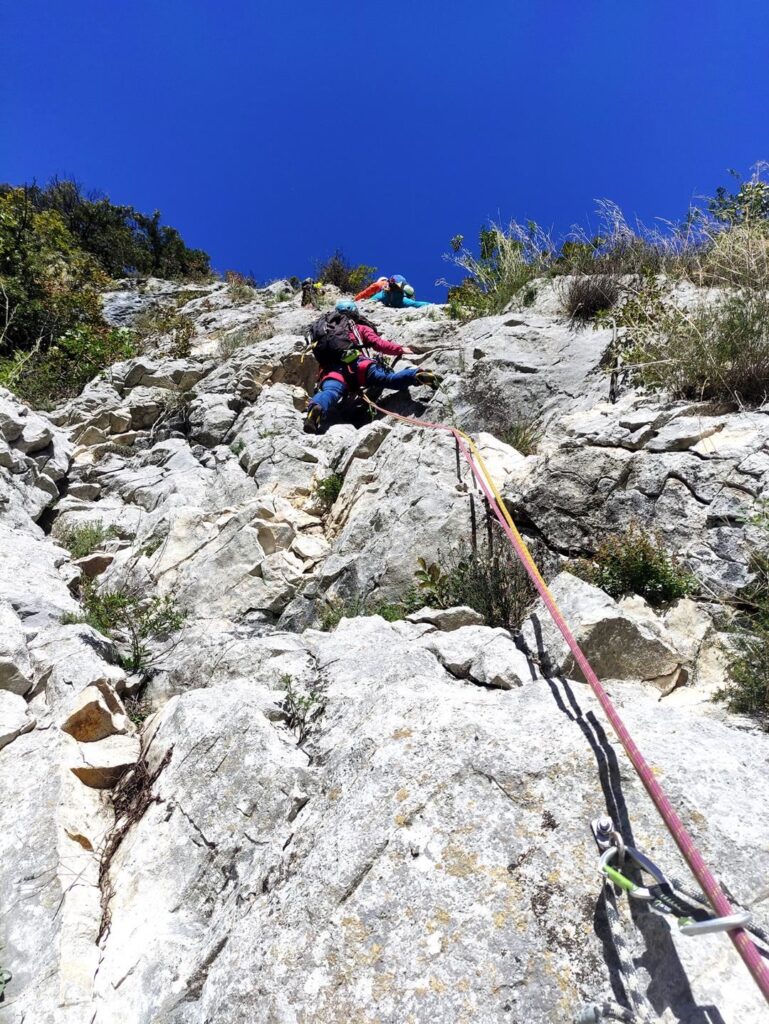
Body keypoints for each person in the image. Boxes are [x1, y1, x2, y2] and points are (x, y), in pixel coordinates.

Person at [303, 300, 440, 433]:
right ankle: (417, 375)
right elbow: (378, 344)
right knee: (389, 379)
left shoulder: (326, 332)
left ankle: (316, 410)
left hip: (332, 371)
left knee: (330, 392)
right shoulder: (359, 327)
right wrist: (400, 349)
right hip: (360, 365)